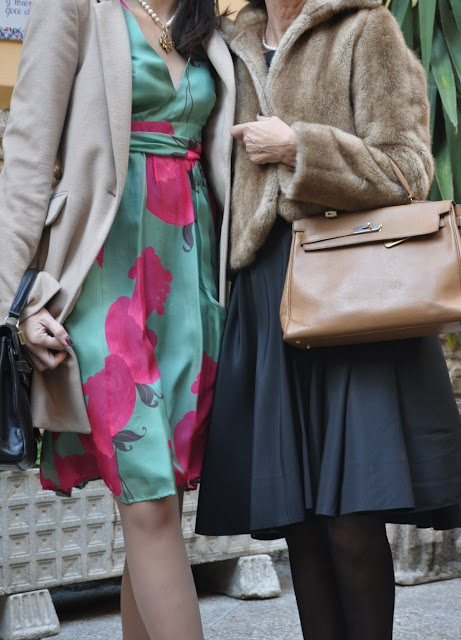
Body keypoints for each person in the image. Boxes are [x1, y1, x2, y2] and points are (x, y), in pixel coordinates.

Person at [195, 1, 461, 639]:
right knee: (301, 525)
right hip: (265, 295)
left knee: (351, 521)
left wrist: (300, 147)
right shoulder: (226, 45)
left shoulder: (366, 28)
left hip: (348, 298)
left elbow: (410, 168)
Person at [0, 0, 235, 638]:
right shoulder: (75, 8)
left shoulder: (207, 25)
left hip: (189, 292)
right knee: (150, 503)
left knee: (159, 511)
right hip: (103, 288)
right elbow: (27, 157)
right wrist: (16, 303)